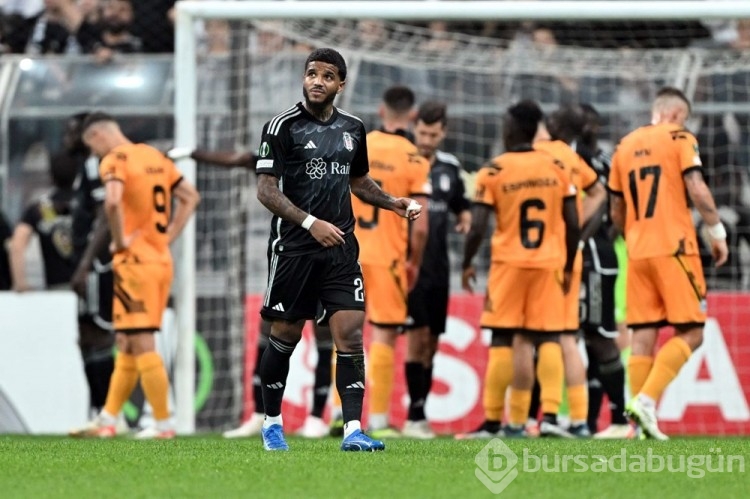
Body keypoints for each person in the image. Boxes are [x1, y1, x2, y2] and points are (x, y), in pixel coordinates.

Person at [254, 48, 422, 452]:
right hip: (294, 249)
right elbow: (265, 190)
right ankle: (272, 422)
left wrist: (392, 202)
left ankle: (352, 430)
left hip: (341, 251)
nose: (317, 81)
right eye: (311, 73)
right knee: (286, 334)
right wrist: (311, 224)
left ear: (340, 84)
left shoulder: (353, 127)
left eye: (327, 76)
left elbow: (360, 182)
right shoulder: (281, 127)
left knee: (349, 334)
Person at [166, 147, 334, 439]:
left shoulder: (334, 164)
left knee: (324, 332)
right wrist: (191, 153)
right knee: (268, 331)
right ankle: (260, 413)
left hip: (324, 258)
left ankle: (318, 416)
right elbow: (240, 158)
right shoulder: (283, 160)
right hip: (286, 258)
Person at [609, 87, 728, 440]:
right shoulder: (679, 137)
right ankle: (646, 401)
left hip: (638, 250)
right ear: (676, 114)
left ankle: (638, 426)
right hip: (674, 248)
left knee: (642, 336)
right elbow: (696, 185)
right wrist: (716, 231)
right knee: (692, 332)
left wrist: (634, 235)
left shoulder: (623, 146)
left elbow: (617, 210)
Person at [74, 111, 200, 439]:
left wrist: (118, 240)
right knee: (127, 340)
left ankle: (163, 424)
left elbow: (112, 203)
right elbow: (190, 197)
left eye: (92, 146)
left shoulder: (114, 161)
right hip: (159, 260)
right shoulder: (153, 156)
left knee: (142, 340)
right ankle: (107, 420)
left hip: (134, 264)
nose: (94, 154)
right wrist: (168, 236)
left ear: (97, 137)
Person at [462, 100, 580, 439]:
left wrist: (468, 263)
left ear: (513, 129)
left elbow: (479, 226)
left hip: (509, 267)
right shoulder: (557, 167)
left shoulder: (494, 171)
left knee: (502, 338)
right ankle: (550, 419)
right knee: (549, 338)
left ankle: (495, 422)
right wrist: (570, 264)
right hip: (548, 264)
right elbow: (573, 223)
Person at [352, 85, 431, 439]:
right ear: (412, 116)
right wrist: (413, 262)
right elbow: (421, 225)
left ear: (381, 111)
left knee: (347, 333)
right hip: (388, 257)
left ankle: (343, 416)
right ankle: (380, 419)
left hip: (348, 252)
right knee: (384, 332)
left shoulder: (359, 143)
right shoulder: (415, 157)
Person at [534, 105, 607, 437]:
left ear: (551, 124)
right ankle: (579, 419)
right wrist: (575, 224)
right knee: (567, 336)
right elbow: (599, 192)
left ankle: (547, 414)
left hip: (538, 254)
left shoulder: (537, 152)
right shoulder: (573, 159)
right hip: (569, 253)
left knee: (539, 337)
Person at [403, 101, 470, 439]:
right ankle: (413, 415)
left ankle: (421, 412)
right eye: (422, 132)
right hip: (409, 265)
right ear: (415, 129)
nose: (427, 139)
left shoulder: (450, 168)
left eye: (433, 134)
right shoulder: (405, 162)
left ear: (443, 133)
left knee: (431, 341)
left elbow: (462, 206)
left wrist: (465, 217)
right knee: (415, 339)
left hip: (439, 267)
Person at [573, 103, 632, 439]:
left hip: (594, 255)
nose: (588, 130)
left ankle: (616, 419)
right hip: (585, 253)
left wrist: (587, 238)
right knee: (578, 338)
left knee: (598, 337)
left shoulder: (603, 163)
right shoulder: (573, 159)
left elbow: (613, 205)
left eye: (592, 124)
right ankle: (585, 421)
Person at [63, 112, 119, 422]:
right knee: (85, 336)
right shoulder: (84, 168)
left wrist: (85, 264)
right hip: (87, 261)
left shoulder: (98, 164)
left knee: (100, 335)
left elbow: (104, 216)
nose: (67, 138)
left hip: (98, 263)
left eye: (72, 132)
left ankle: (113, 412)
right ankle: (100, 410)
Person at [9, 154, 77, 292]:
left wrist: (20, 283)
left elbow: (17, 245)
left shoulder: (42, 209)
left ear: (51, 177)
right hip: (87, 284)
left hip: (56, 287)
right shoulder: (86, 205)